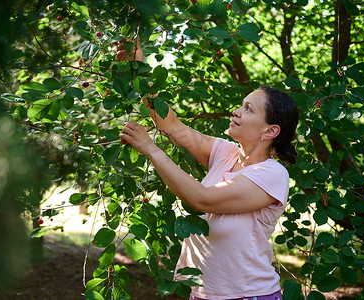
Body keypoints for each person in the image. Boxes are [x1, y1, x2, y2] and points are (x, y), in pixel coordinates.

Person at [117, 40, 299, 300]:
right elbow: (173, 126)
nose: (236, 112)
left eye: (248, 109)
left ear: (269, 131)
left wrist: (152, 149)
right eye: (241, 104)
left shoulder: (272, 174)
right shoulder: (226, 153)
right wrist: (139, 69)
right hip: (202, 295)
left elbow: (202, 199)